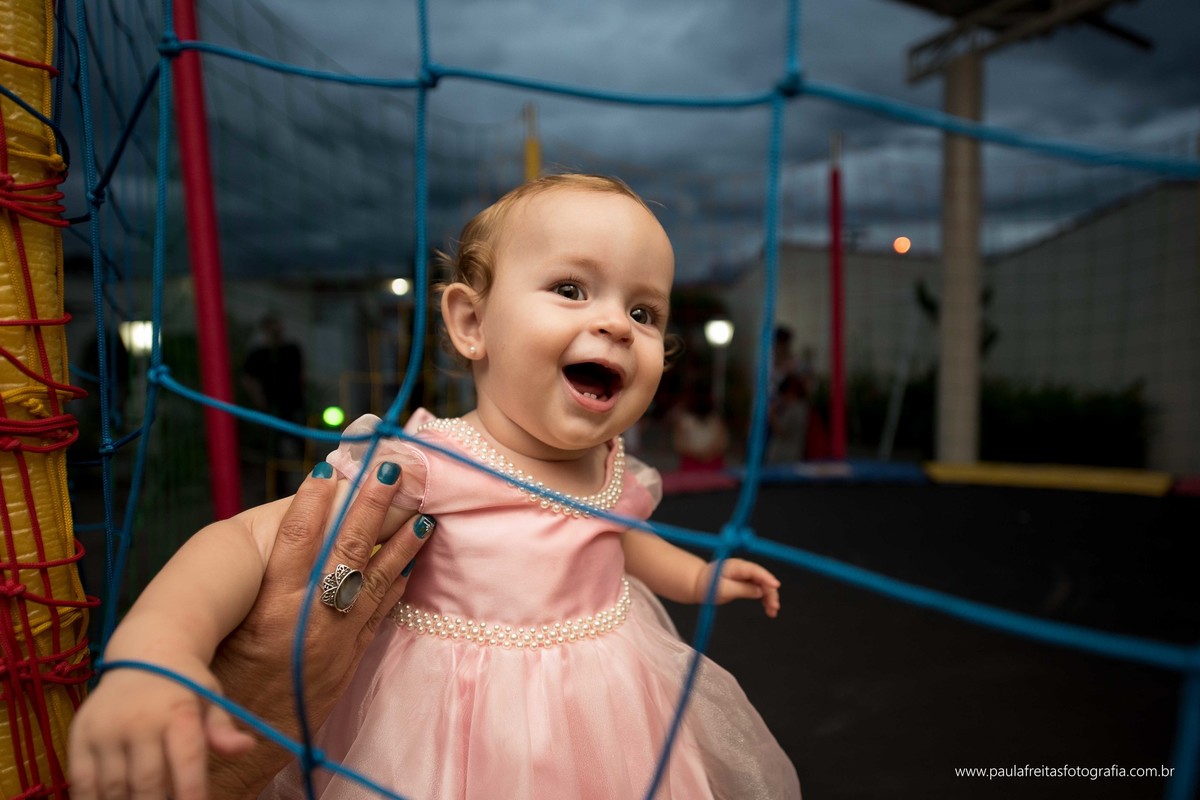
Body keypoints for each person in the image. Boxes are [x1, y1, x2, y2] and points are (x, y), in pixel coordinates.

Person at [69, 174, 801, 799]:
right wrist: (158, 654)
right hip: (449, 729)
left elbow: (624, 543)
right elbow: (239, 541)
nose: (614, 323)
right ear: (471, 321)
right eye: (572, 289)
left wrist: (699, 576)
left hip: (612, 712)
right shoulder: (426, 462)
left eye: (644, 312)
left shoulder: (616, 468)